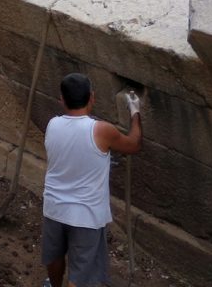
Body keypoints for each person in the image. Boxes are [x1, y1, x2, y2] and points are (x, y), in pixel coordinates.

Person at [41, 73, 143, 287]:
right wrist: (135, 112)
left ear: (62, 99)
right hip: (85, 215)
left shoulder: (53, 124)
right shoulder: (101, 130)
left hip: (54, 207)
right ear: (92, 97)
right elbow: (133, 144)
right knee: (81, 273)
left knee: (54, 255)